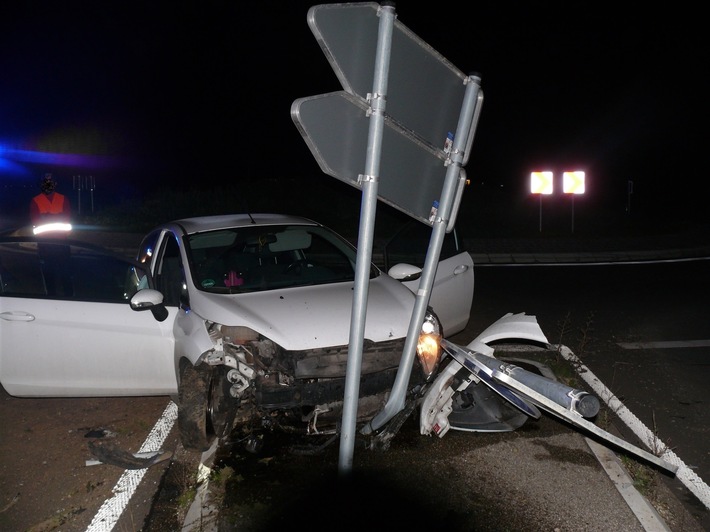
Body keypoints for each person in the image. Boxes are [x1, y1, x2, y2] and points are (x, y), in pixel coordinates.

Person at [29, 174, 73, 295]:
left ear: (55, 184)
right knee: (50, 276)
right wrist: (57, 216)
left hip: (61, 243)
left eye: (50, 182)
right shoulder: (36, 201)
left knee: (66, 275)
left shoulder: (63, 199)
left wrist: (46, 217)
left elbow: (67, 220)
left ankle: (69, 298)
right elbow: (36, 222)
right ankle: (51, 298)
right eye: (46, 182)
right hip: (46, 245)